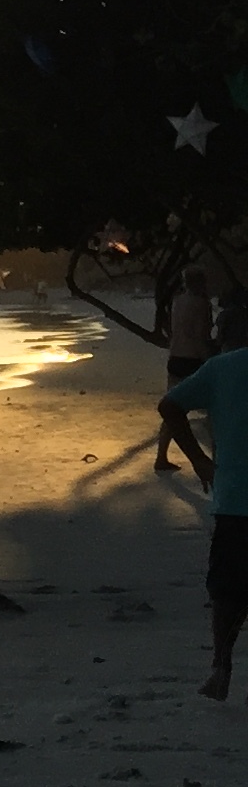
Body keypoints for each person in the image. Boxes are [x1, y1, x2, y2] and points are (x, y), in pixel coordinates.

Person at [158, 352, 248, 696]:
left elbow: (170, 406)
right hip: (235, 498)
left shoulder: (223, 367)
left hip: (235, 498)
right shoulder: (222, 368)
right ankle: (220, 668)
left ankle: (221, 667)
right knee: (227, 590)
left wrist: (198, 459)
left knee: (228, 592)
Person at [162, 268, 219, 473]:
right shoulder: (201, 304)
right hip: (194, 359)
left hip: (175, 357)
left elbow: (177, 330)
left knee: (173, 406)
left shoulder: (177, 301)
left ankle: (161, 457)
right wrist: (209, 362)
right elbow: (200, 336)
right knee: (214, 408)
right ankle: (216, 454)